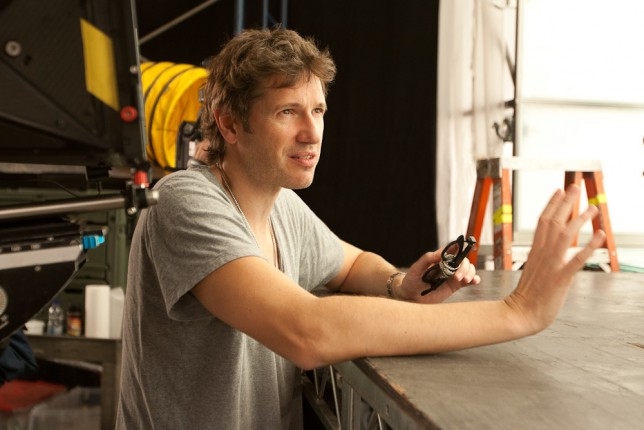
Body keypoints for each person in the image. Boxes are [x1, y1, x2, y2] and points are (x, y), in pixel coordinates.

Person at [116, 28, 605, 429]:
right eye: (287, 112)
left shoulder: (280, 205)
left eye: (318, 111)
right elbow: (307, 331)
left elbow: (349, 264)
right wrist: (517, 312)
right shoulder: (184, 201)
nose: (312, 132)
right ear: (228, 124)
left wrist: (399, 283)